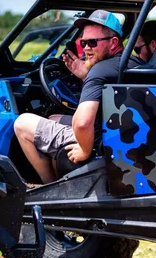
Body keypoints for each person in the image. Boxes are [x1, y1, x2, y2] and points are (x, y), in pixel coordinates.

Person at [14, 9, 142, 184]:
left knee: (22, 123)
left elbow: (82, 123)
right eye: (84, 43)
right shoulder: (133, 62)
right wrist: (85, 76)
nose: (87, 48)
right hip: (120, 133)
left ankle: (48, 188)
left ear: (113, 43)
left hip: (99, 140)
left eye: (92, 42)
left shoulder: (100, 71)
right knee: (53, 117)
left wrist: (84, 150)